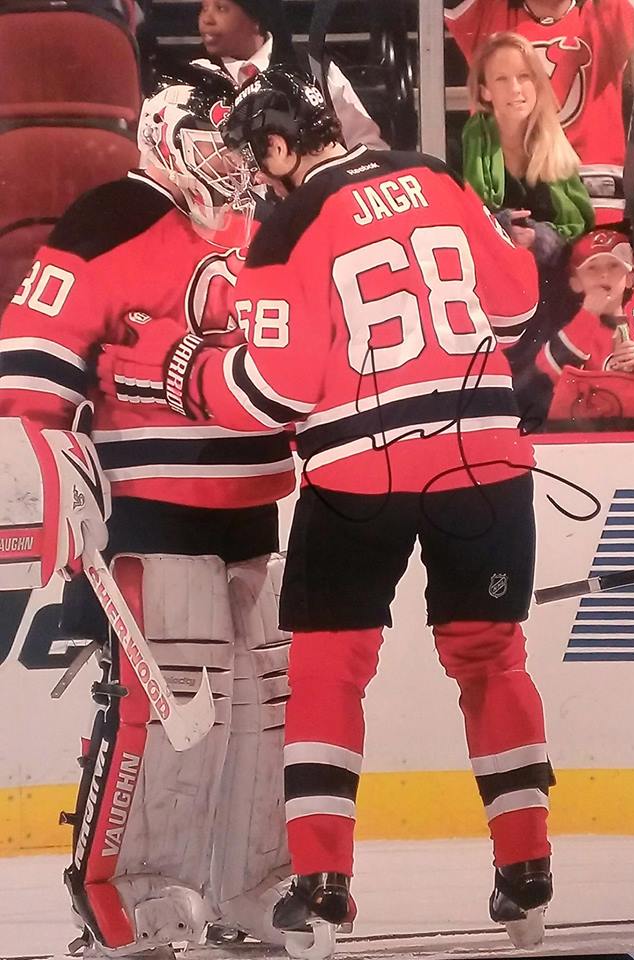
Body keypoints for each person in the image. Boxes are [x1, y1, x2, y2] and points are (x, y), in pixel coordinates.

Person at [97, 67, 556, 951]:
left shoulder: (286, 228)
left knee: (326, 671)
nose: (255, 179)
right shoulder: (435, 174)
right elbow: (515, 307)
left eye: (256, 159)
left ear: (277, 146)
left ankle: (320, 890)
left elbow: (273, 391)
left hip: (362, 482)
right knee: (492, 659)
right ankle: (526, 874)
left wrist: (176, 364)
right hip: (488, 466)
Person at [0, 65, 297, 959]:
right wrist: (48, 477)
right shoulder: (109, 218)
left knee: (267, 698)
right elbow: (28, 367)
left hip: (256, 498)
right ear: (167, 139)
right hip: (151, 506)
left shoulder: (268, 227)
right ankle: (130, 890)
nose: (235, 168)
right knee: (174, 697)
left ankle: (259, 885)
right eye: (217, 146)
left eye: (243, 150)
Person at [463, 30, 594, 419]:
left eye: (524, 77)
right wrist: (500, 229)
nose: (515, 89)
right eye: (501, 79)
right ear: (485, 91)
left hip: (556, 299)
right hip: (499, 297)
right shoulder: (473, 138)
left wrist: (544, 238)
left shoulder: (556, 144)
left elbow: (579, 223)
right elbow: (467, 215)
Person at [445, 0, 634, 224]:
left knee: (607, 256)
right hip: (506, 206)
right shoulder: (487, 14)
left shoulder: (607, 10)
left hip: (596, 204)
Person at [193, 0, 389, 150]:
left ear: (256, 16)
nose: (206, 20)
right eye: (204, 7)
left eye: (221, 8)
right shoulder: (194, 77)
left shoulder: (310, 66)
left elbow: (366, 143)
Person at [536, 229, 634, 418]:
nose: (604, 275)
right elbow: (544, 378)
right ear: (576, 282)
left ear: (631, 276)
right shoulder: (574, 332)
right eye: (592, 267)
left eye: (614, 266)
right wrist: (588, 315)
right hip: (596, 439)